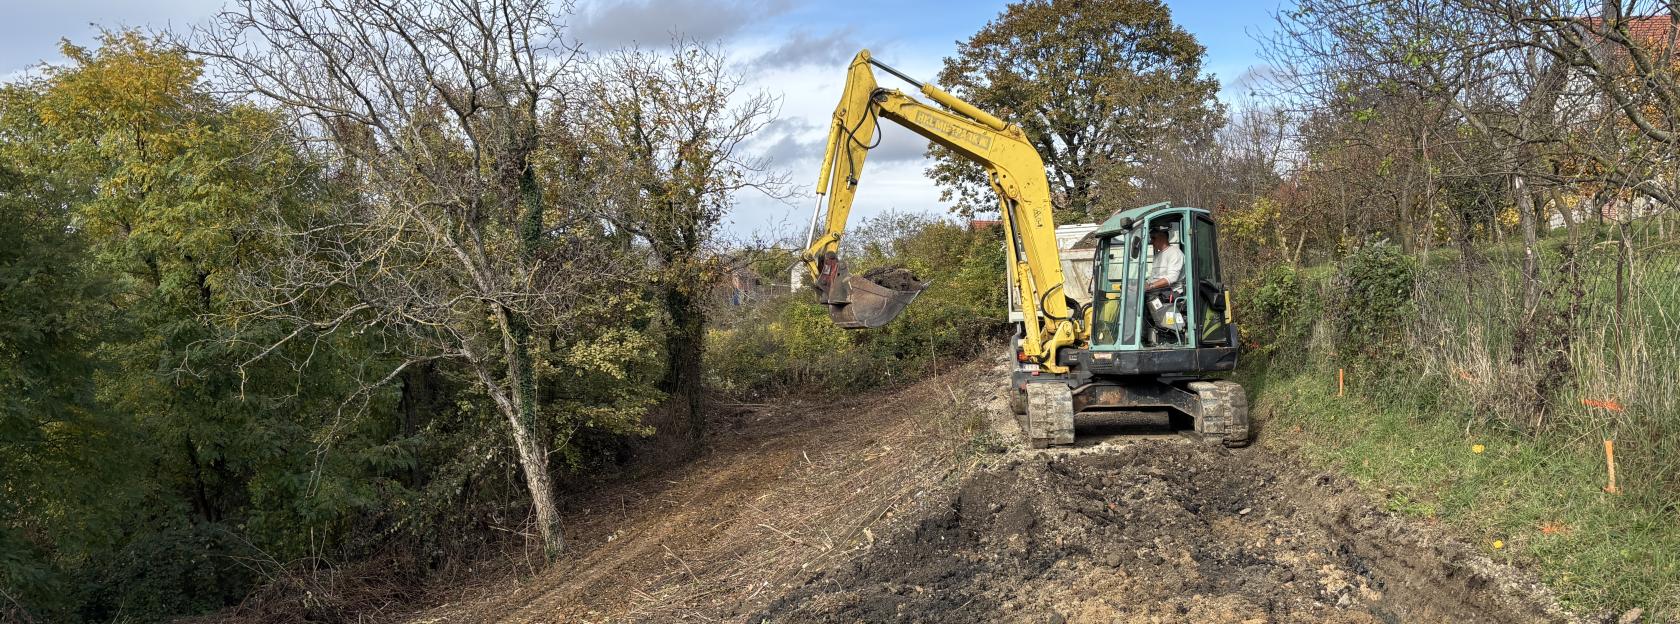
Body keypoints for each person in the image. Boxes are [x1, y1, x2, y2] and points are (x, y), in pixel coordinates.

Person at [1145, 225, 1184, 292]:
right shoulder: (1157, 255)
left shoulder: (1175, 252)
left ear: (1163, 237)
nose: (1151, 241)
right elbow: (1153, 277)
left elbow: (1172, 277)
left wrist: (1151, 286)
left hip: (1171, 292)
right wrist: (1143, 284)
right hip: (1157, 291)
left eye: (1153, 238)